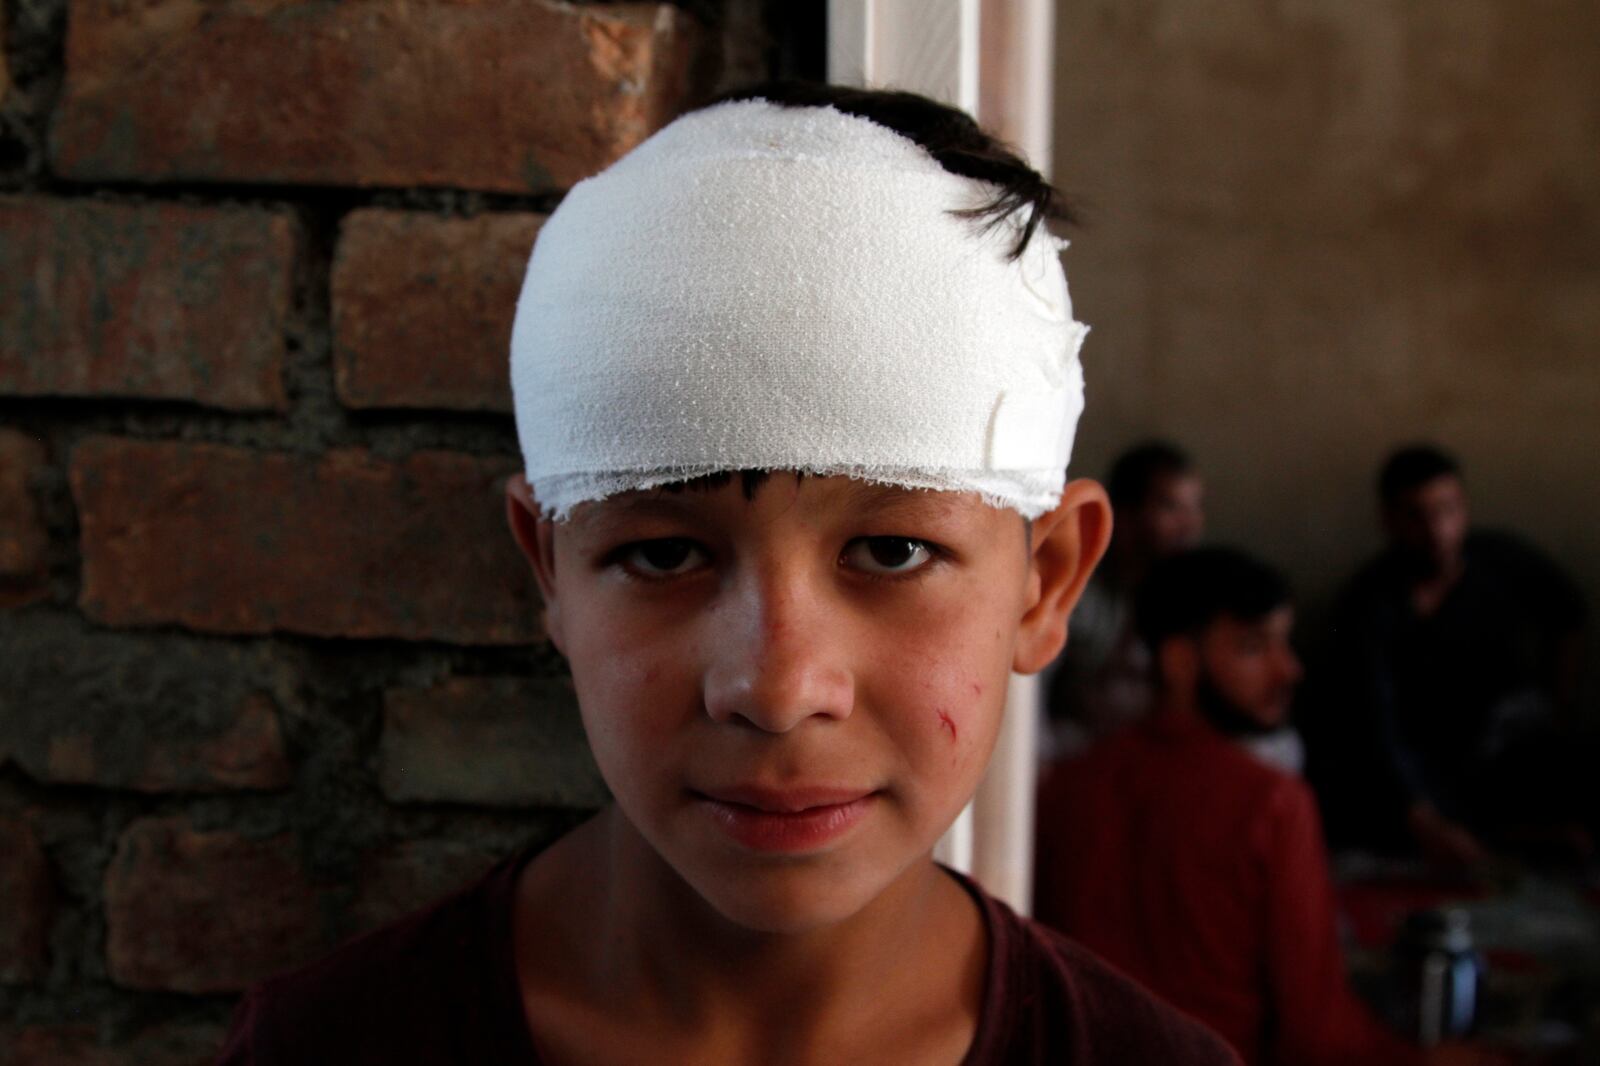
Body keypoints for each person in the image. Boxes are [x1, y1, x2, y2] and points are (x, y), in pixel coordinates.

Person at [215, 84, 1239, 1064]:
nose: (778, 688)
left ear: (1045, 581)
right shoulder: (326, 1047)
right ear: (549, 570)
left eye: (892, 551)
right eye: (663, 553)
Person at [1034, 547, 1488, 1066]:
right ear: (1180, 661)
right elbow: (1317, 1034)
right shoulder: (1271, 804)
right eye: (1254, 647)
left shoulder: (1066, 787)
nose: (1289, 669)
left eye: (1284, 643)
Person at [1314, 445, 1589, 865]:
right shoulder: (1370, 602)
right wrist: (1422, 817)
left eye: (1448, 510)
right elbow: (1375, 721)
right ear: (1388, 520)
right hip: (1423, 757)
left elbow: (1568, 611)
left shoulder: (1501, 560)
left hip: (1508, 743)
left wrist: (1562, 698)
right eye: (1416, 515)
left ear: (1465, 508)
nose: (1436, 528)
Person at [1042, 440, 1203, 756]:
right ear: (1127, 514)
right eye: (1171, 507)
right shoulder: (1078, 594)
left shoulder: (1197, 595)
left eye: (1195, 507)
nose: (1190, 525)